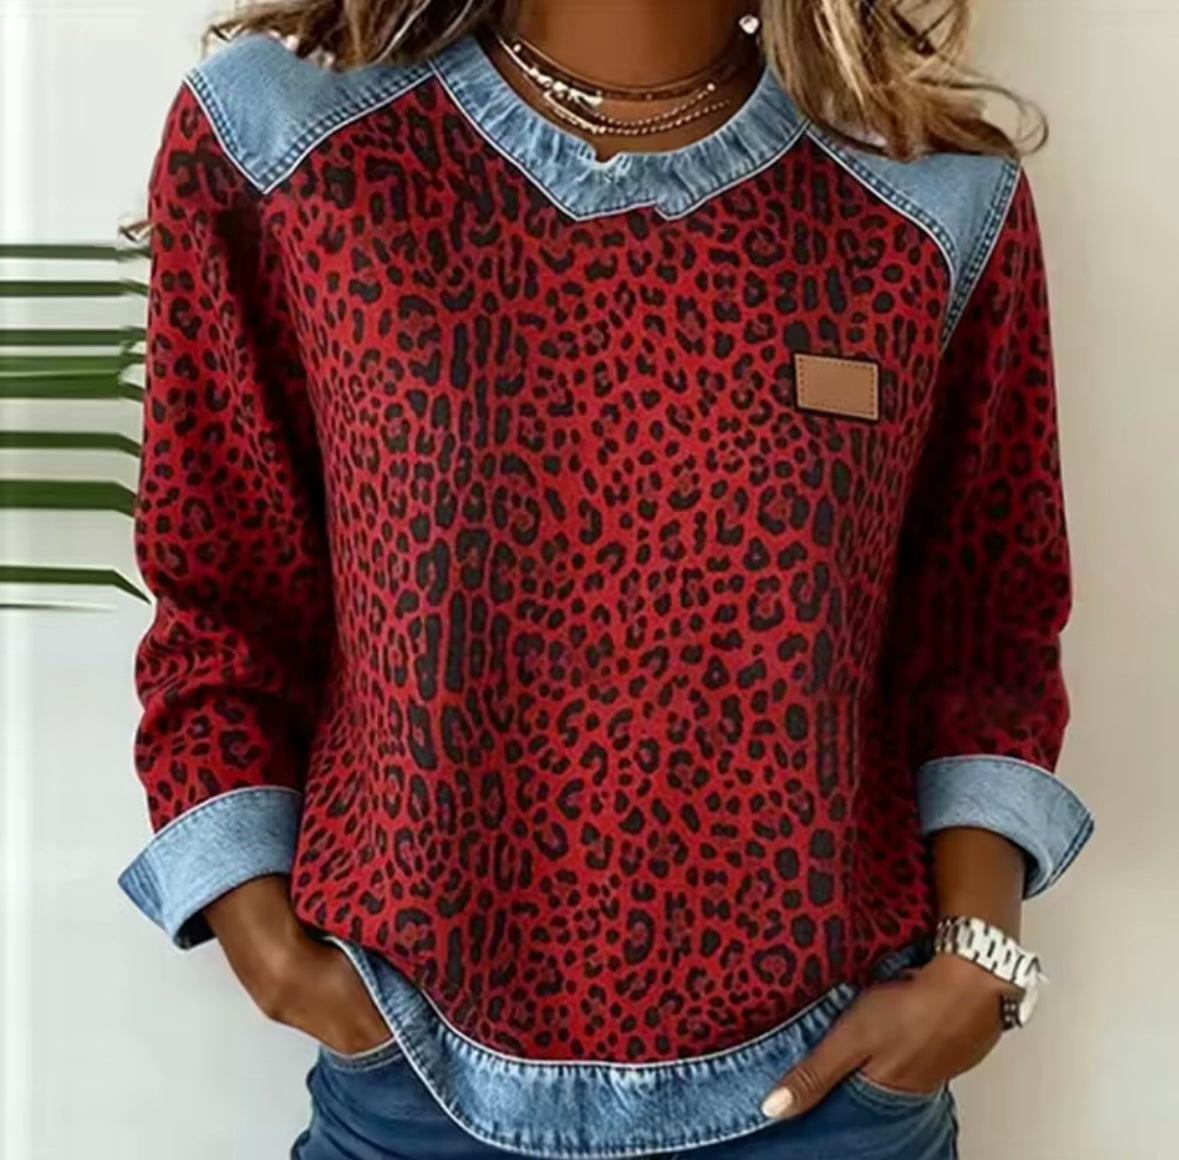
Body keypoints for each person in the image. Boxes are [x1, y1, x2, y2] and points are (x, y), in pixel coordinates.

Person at [118, 2, 1095, 1158]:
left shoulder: (929, 203)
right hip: (415, 1083)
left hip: (829, 1093)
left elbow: (986, 630)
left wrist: (979, 958)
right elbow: (222, 585)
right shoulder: (287, 151)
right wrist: (267, 943)